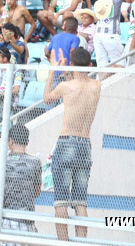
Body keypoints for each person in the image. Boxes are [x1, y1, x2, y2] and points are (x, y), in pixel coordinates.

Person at [43, 47, 101, 242]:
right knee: (80, 201)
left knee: (61, 200)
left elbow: (47, 98)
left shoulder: (66, 87)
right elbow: (77, 79)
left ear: (71, 64)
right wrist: (70, 70)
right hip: (85, 144)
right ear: (90, 65)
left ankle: (63, 242)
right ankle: (82, 242)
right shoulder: (96, 86)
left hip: (67, 140)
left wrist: (53, 70)